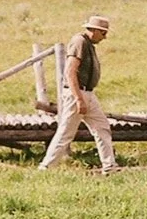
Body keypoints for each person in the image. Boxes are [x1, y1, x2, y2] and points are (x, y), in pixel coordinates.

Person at [39, 15, 119, 174]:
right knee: (66, 133)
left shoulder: (87, 44)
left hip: (87, 93)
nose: (105, 37)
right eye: (103, 33)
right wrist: (78, 98)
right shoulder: (79, 42)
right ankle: (46, 168)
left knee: (102, 127)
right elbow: (70, 72)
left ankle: (109, 166)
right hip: (78, 93)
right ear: (95, 31)